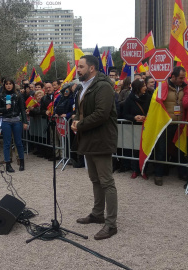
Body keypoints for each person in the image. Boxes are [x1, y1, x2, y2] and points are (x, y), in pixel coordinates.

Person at [71, 55, 118, 240]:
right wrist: (76, 120)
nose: (78, 70)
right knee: (95, 179)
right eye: (77, 66)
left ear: (91, 68)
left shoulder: (103, 86)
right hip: (89, 139)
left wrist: (80, 124)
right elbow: (82, 111)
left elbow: (101, 114)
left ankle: (111, 224)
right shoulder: (84, 87)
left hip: (101, 139)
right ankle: (98, 214)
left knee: (106, 181)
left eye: (81, 67)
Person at [153, 66, 188, 186]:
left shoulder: (186, 87)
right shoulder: (163, 86)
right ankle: (158, 174)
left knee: (179, 149)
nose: (183, 80)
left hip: (181, 124)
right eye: (180, 78)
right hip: (166, 123)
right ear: (173, 76)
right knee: (162, 149)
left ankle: (182, 173)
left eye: (184, 78)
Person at [0, 79, 28, 172]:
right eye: (7, 84)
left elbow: (22, 109)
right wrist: (5, 109)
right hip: (6, 121)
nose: (8, 86)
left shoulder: (18, 95)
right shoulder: (1, 96)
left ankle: (21, 162)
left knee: (18, 142)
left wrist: (25, 121)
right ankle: (8, 164)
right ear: (4, 85)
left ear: (13, 85)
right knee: (7, 143)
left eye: (10, 84)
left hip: (16, 121)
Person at [122, 79, 152, 179]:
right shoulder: (130, 99)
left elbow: (152, 111)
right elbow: (125, 114)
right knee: (135, 150)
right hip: (134, 128)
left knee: (145, 149)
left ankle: (144, 170)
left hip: (146, 128)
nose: (145, 87)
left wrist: (147, 117)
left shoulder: (149, 98)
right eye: (143, 86)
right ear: (137, 88)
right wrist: (134, 117)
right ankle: (135, 170)